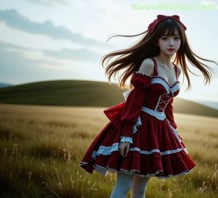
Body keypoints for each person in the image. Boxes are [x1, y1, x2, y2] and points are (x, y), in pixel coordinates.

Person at [80, 15, 217, 198]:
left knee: (141, 189)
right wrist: (126, 136)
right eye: (165, 38)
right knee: (124, 186)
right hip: (138, 127)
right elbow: (134, 100)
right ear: (156, 41)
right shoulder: (148, 64)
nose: (171, 43)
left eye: (176, 38)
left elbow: (168, 104)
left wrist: (172, 129)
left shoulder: (175, 69)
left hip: (158, 130)